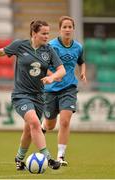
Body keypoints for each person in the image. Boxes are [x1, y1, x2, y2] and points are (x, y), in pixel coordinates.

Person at [0, 20, 66, 170]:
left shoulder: (49, 50)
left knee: (29, 130)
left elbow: (62, 70)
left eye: (48, 33)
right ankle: (48, 159)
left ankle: (19, 158)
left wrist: (52, 77)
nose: (47, 36)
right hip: (21, 95)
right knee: (35, 123)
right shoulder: (20, 45)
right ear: (34, 33)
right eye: (44, 33)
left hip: (39, 97)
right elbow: (1, 51)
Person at [41, 16, 87, 166]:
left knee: (65, 121)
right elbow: (43, 65)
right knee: (50, 125)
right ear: (60, 29)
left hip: (69, 88)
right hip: (51, 90)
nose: (67, 30)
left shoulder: (78, 47)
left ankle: (60, 156)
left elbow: (81, 61)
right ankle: (43, 126)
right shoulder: (51, 46)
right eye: (64, 27)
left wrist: (83, 72)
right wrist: (52, 76)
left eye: (70, 27)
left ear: (73, 29)